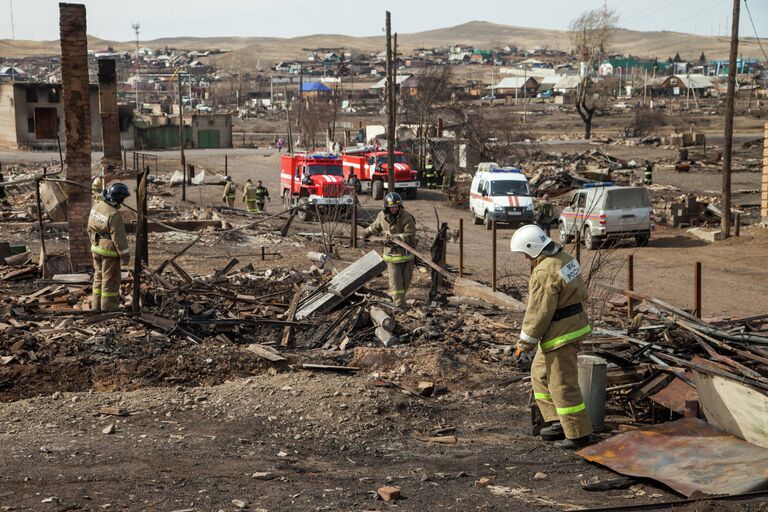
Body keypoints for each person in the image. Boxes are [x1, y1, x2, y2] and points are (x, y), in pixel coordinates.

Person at [510, 224, 593, 450]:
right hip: (571, 325)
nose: (525, 257)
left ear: (533, 247)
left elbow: (538, 314)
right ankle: (557, 421)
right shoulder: (565, 257)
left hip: (561, 334)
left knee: (562, 383)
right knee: (539, 374)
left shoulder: (543, 272)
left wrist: (523, 345)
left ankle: (578, 434)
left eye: (525, 253)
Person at [364, 192, 416, 308]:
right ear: (387, 207)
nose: (394, 209)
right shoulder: (382, 216)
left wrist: (396, 238)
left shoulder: (406, 217)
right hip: (391, 257)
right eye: (392, 207)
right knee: (395, 282)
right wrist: (365, 233)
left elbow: (410, 235)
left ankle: (400, 301)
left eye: (396, 207)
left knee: (405, 283)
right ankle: (398, 305)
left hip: (406, 256)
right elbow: (374, 227)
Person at [88, 183, 131, 312]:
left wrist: (94, 242)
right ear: (119, 198)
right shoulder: (114, 214)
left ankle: (96, 307)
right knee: (110, 282)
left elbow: (89, 228)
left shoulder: (97, 206)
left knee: (98, 279)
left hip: (95, 248)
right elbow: (119, 239)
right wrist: (125, 256)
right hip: (109, 253)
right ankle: (109, 309)